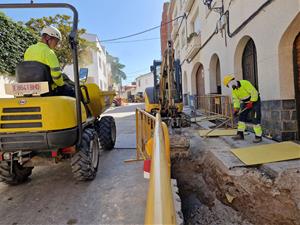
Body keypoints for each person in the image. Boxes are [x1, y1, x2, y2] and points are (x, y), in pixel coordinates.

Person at [24, 25, 75, 97]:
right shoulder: (49, 52)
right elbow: (56, 75)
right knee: (74, 92)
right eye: (56, 41)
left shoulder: (29, 49)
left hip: (31, 88)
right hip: (49, 89)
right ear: (48, 38)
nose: (56, 45)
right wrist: (62, 84)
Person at [223, 75, 262, 143]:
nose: (229, 87)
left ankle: (258, 136)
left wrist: (251, 102)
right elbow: (236, 100)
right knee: (241, 117)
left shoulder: (245, 83)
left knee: (255, 118)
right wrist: (236, 109)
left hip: (255, 101)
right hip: (245, 102)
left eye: (228, 85)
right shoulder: (234, 90)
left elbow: (254, 92)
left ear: (232, 81)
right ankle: (240, 135)